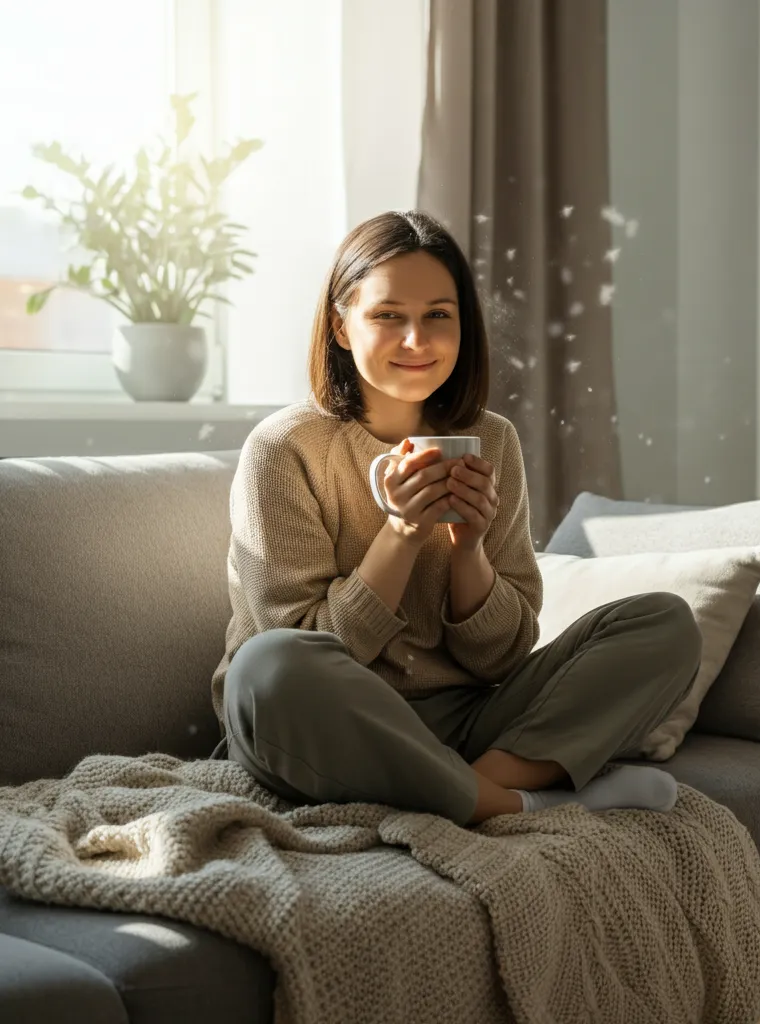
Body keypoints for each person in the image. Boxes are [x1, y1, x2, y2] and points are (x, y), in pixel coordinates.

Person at [209, 210, 702, 826]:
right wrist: (403, 534)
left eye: (438, 316)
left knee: (664, 623)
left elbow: (503, 660)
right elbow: (314, 645)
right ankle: (513, 799)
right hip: (326, 718)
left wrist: (470, 552)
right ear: (341, 327)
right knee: (269, 664)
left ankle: (465, 789)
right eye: (388, 316)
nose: (416, 340)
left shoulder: (489, 441)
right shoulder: (285, 449)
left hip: (463, 719)